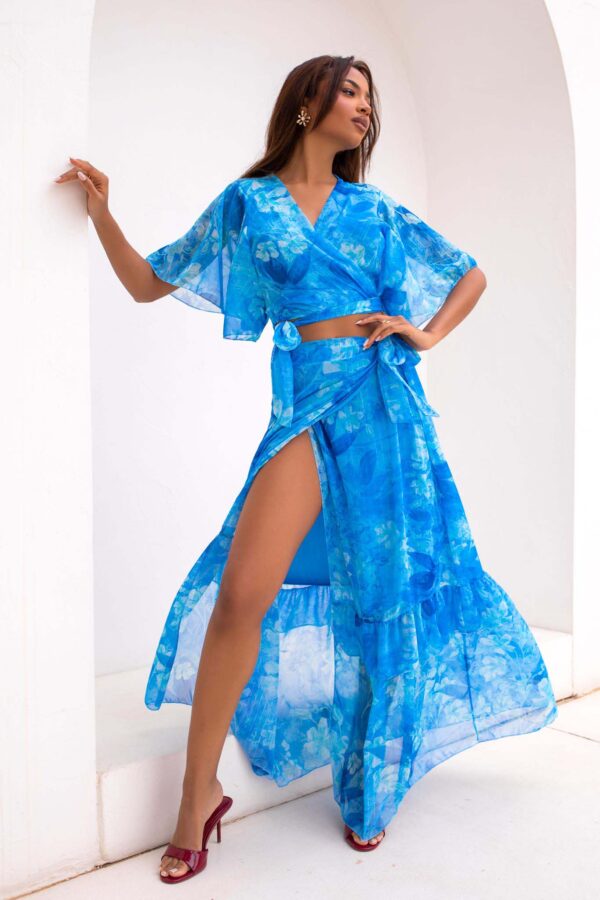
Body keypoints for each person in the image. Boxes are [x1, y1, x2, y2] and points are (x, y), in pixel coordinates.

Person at [54, 54, 558, 885]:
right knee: (240, 598)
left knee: (380, 599)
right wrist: (104, 214)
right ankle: (195, 797)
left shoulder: (375, 209)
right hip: (305, 409)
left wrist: (424, 333)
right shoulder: (250, 203)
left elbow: (469, 275)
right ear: (306, 103)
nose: (364, 108)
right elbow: (149, 283)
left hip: (383, 413)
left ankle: (374, 781)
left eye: (370, 98)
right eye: (350, 91)